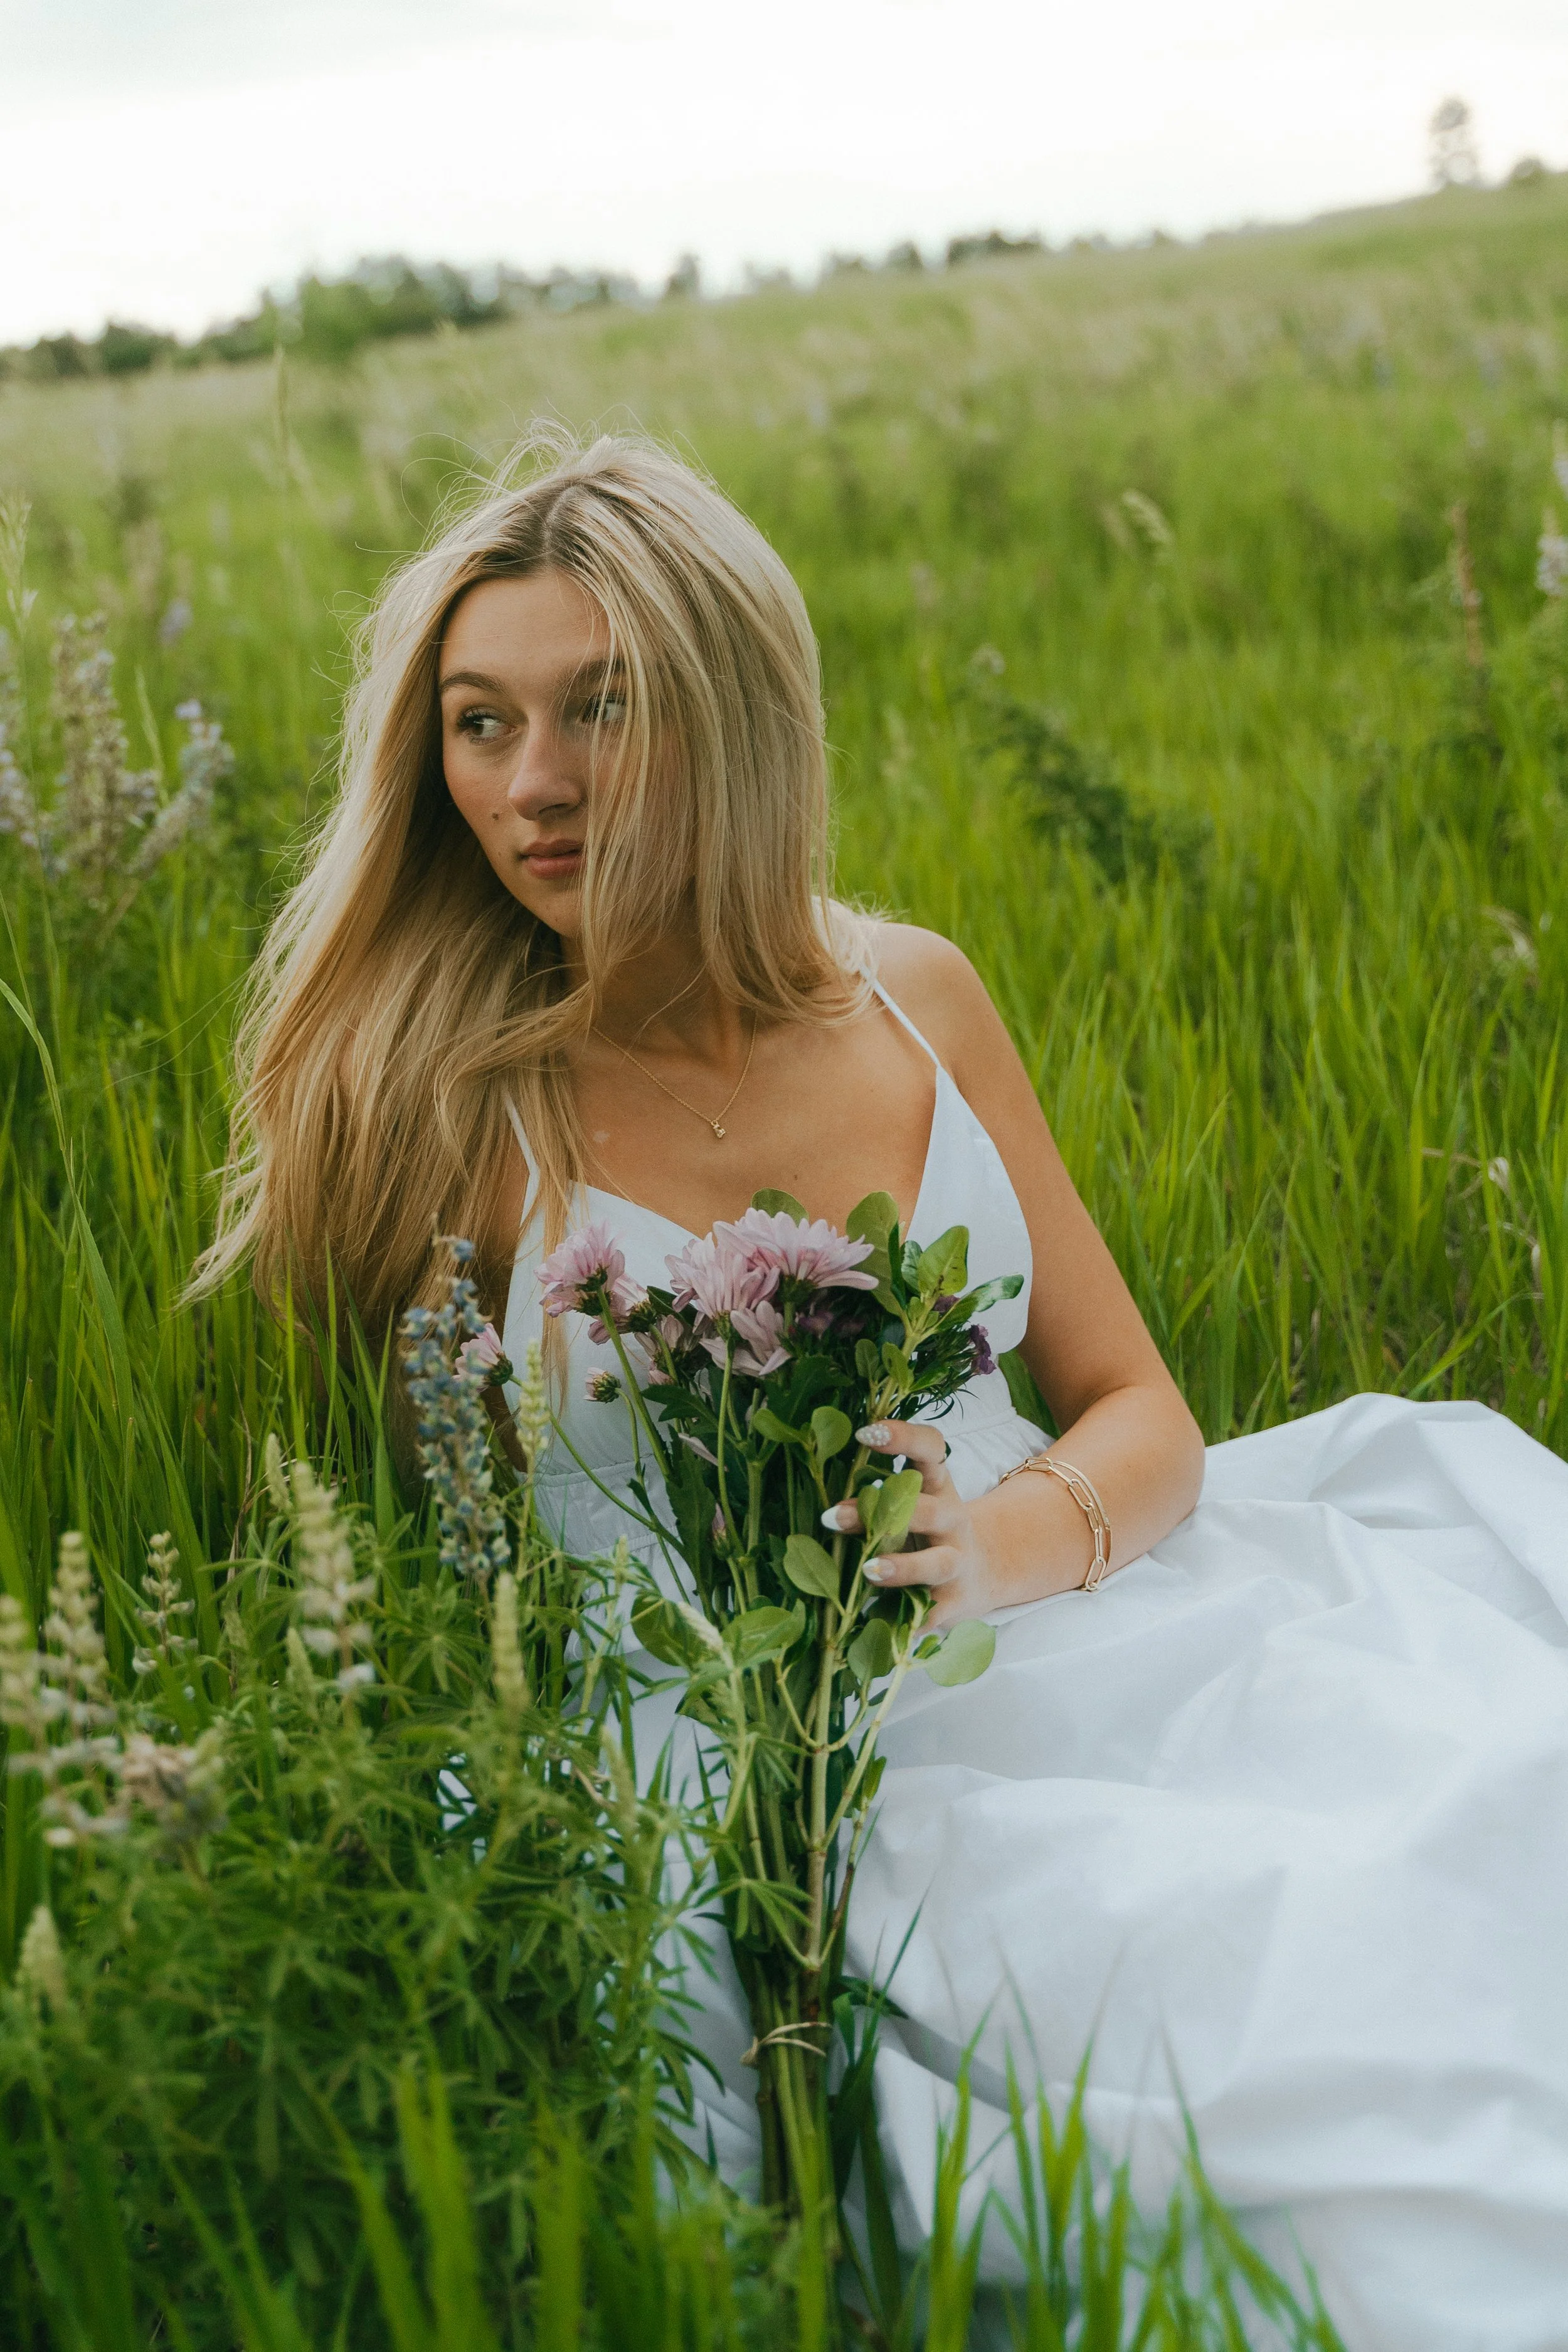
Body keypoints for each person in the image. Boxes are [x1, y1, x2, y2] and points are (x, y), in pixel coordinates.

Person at [201, 435, 1568, 2351]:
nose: (533, 787)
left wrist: (994, 1545)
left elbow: (1136, 1412)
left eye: (603, 707)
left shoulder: (915, 991)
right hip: (713, 1728)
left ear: (738, 711)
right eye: (478, 722)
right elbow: (433, 1537)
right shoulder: (429, 1095)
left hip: (1063, 1622)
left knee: (1408, 1915)